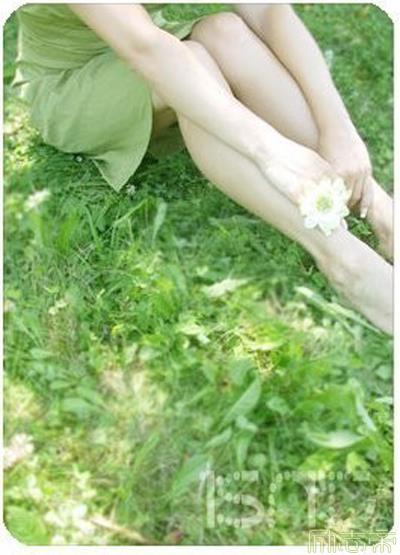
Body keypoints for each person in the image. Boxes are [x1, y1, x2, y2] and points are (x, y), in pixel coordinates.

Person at [12, 3, 393, 333]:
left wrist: (338, 127)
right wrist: (272, 151)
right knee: (193, 59)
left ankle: (378, 209)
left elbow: (267, 10)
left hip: (154, 45)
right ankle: (346, 262)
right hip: (70, 85)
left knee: (225, 31)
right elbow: (147, 48)